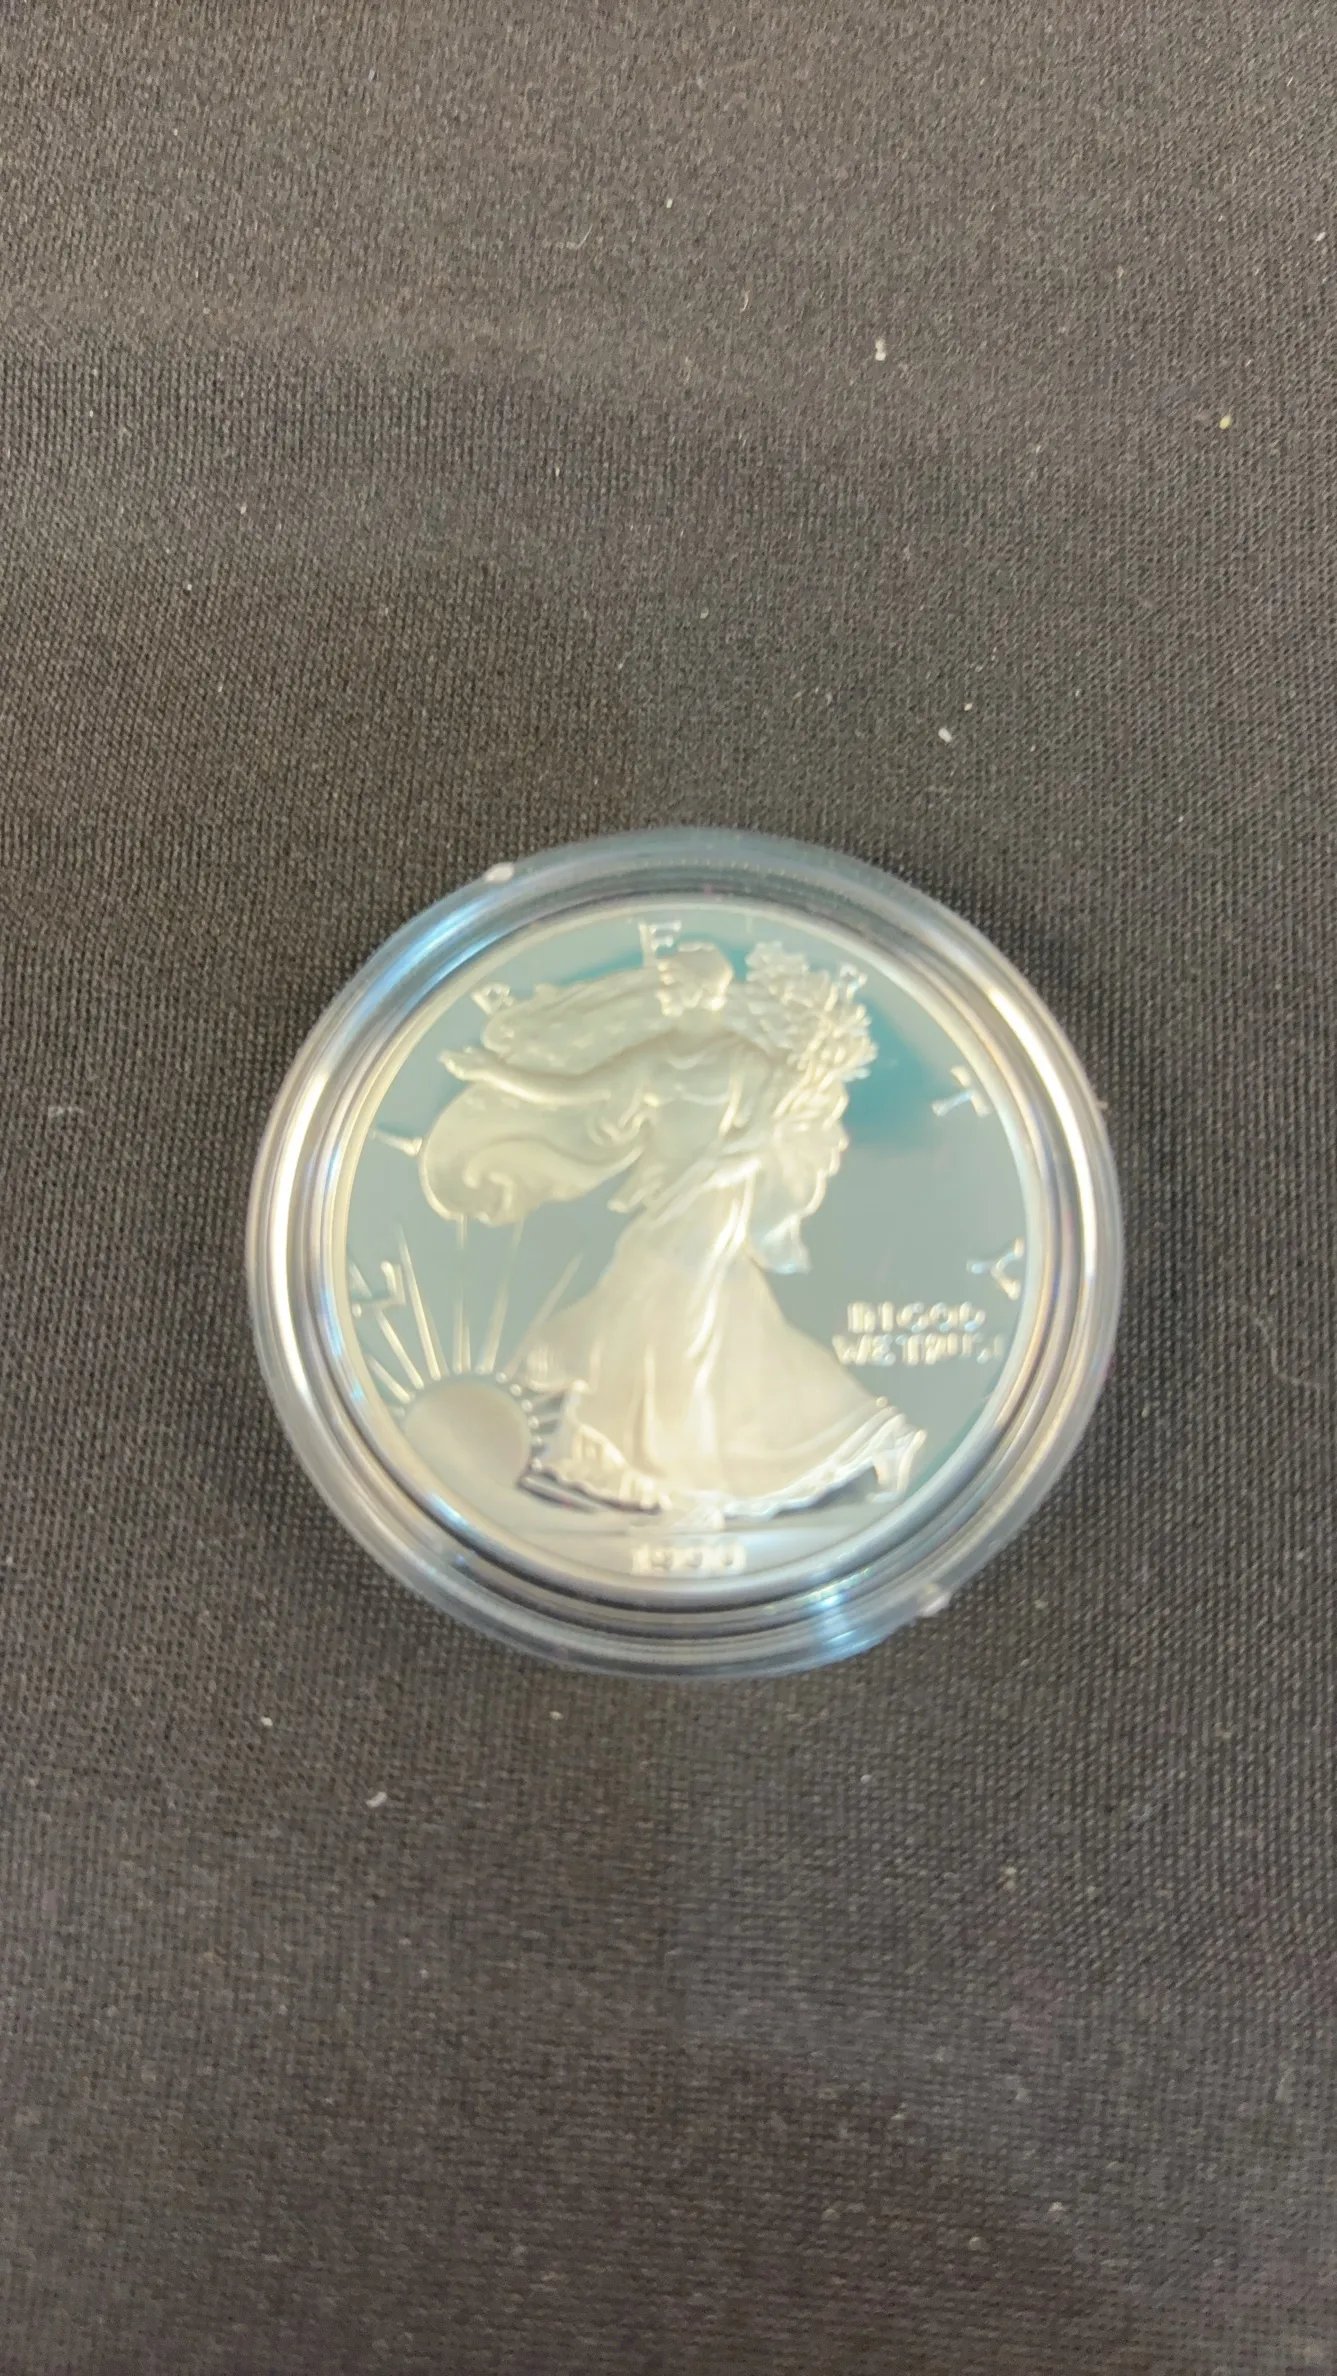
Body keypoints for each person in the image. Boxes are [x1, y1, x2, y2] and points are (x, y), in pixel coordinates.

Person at [417, 936, 922, 1518]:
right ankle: (853, 1437)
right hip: (667, 1198)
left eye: (677, 984)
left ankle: (682, 1469)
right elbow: (573, 1092)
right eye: (668, 984)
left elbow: (762, 1135)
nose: (667, 993)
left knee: (672, 1317)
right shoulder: (654, 1056)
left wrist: (723, 1165)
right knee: (702, 1321)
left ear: (706, 991)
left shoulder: (744, 1059)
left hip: (712, 1203)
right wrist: (497, 1073)